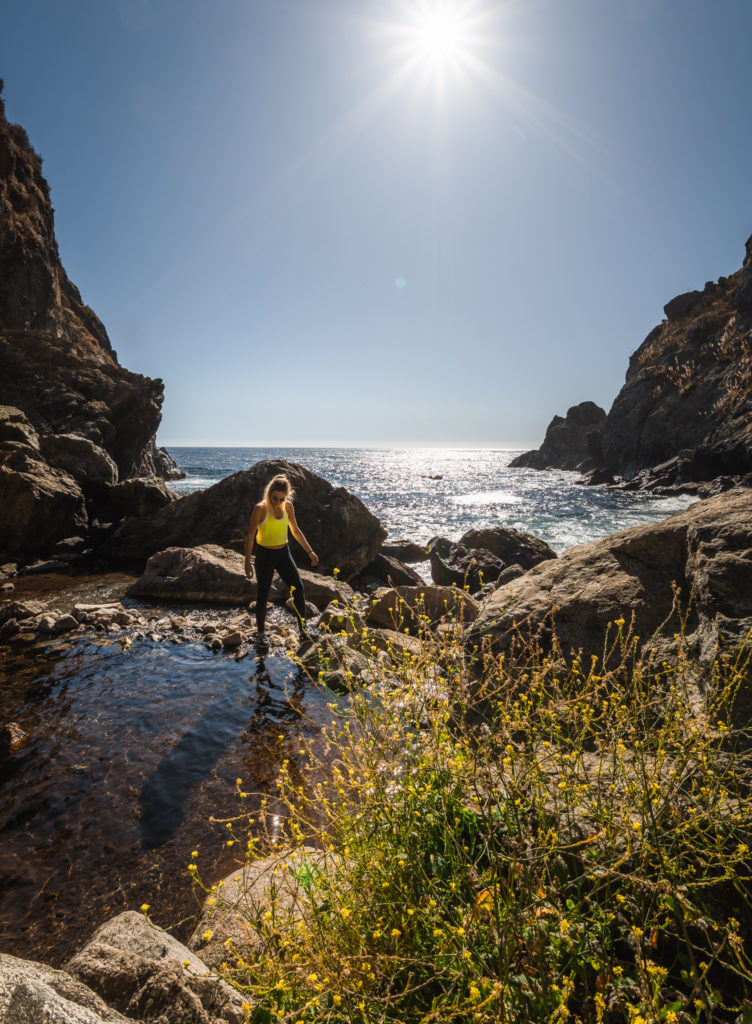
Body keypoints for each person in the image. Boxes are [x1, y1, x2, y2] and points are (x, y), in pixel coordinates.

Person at [244, 473, 318, 646]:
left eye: (281, 499)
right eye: (274, 497)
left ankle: (303, 631)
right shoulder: (260, 509)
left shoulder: (288, 507)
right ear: (269, 492)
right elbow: (250, 537)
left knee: (298, 588)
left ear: (287, 497)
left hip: (283, 553)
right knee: (263, 594)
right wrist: (247, 562)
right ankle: (261, 634)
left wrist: (310, 551)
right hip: (264, 555)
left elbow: (295, 531)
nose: (277, 502)